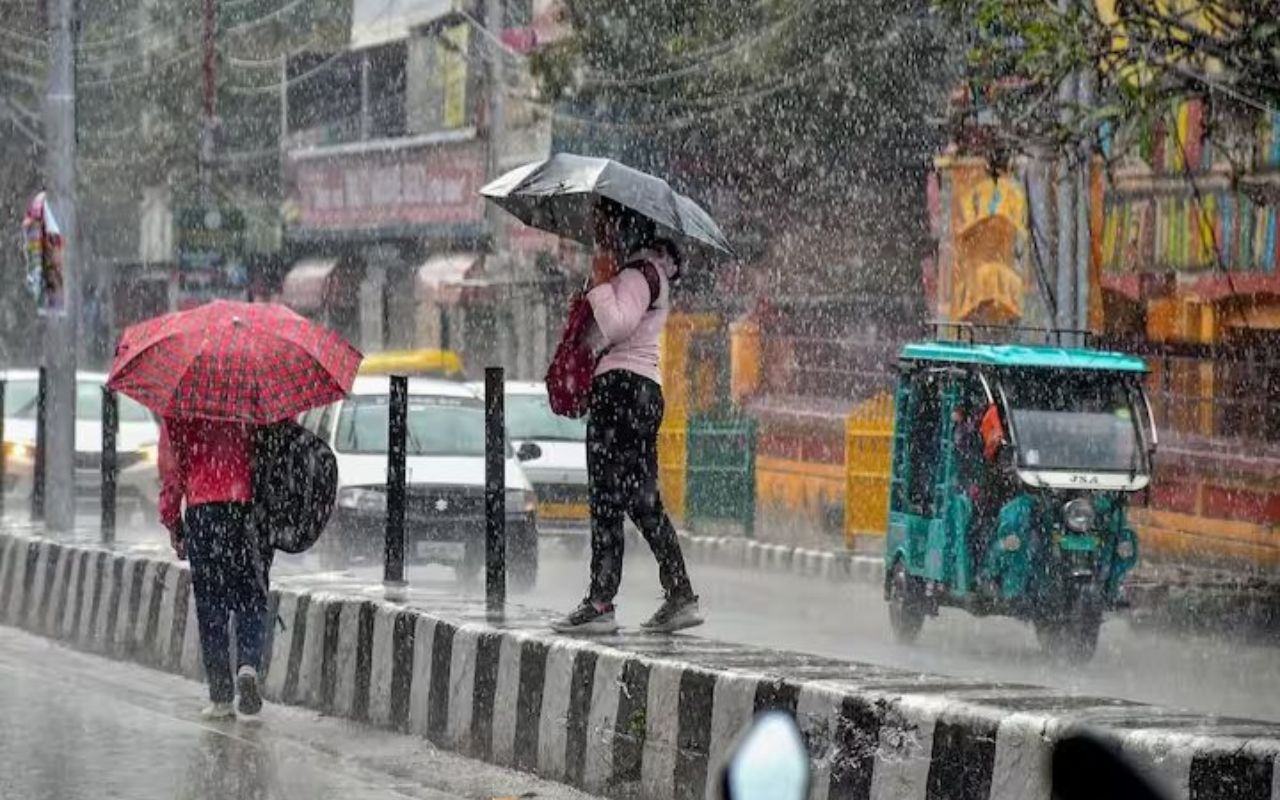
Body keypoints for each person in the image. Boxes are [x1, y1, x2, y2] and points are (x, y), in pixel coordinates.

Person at [551, 200, 701, 634]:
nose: (599, 237)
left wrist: (599, 287)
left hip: (622, 391)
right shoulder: (639, 272)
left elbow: (617, 327)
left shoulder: (638, 274)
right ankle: (679, 593)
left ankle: (601, 603)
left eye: (603, 228)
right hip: (635, 392)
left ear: (623, 228)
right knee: (639, 499)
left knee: (607, 499)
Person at [159, 417, 268, 719]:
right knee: (251, 596)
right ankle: (248, 664)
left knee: (211, 606)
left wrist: (173, 521)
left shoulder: (181, 404)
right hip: (242, 509)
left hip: (202, 512)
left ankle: (221, 697)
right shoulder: (249, 398)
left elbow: (172, 471)